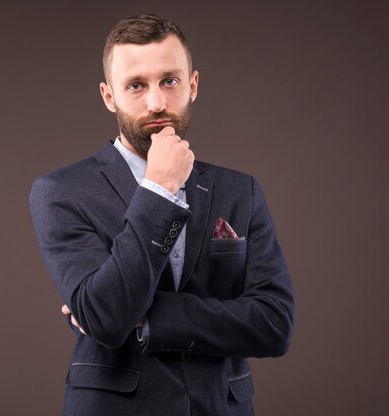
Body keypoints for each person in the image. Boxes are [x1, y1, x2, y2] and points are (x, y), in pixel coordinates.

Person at [29, 14, 294, 416]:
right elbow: (108, 317)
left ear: (193, 86)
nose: (156, 103)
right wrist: (159, 190)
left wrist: (149, 319)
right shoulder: (60, 192)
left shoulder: (241, 191)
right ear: (109, 96)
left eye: (169, 81)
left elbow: (274, 324)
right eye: (136, 85)